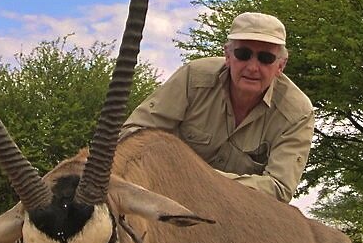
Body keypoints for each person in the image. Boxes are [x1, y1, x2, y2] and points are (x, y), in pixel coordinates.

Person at [121, 12, 314, 203]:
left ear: (281, 65)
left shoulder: (297, 114)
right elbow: (132, 135)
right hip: (166, 193)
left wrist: (198, 178)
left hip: (235, 208)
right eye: (243, 54)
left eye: (265, 58)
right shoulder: (193, 78)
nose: (253, 67)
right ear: (228, 56)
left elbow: (279, 189)